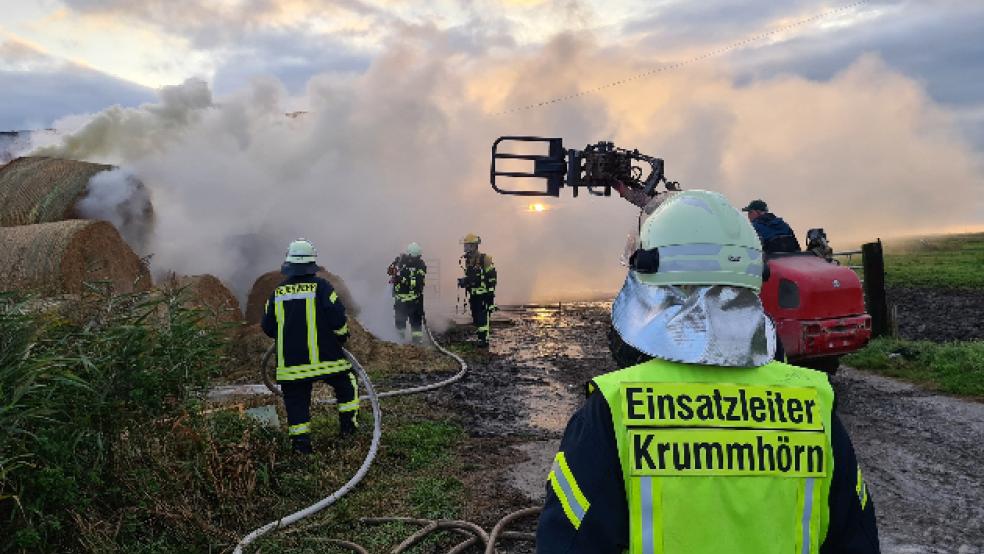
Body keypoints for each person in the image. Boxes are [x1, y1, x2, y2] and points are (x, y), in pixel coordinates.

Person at [536, 191, 880, 553]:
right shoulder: (814, 404)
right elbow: (857, 540)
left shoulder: (615, 408)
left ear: (655, 281)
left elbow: (566, 544)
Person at [261, 238, 358, 454]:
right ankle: (349, 431)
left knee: (296, 404)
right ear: (312, 264)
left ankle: (301, 449)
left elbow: (267, 327)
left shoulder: (277, 293)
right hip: (327, 360)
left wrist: (288, 334)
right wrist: (341, 337)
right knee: (347, 383)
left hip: (292, 365)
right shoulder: (322, 287)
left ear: (289, 265)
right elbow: (338, 319)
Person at [457, 233, 497, 347]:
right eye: (465, 245)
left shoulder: (485, 259)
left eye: (468, 245)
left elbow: (492, 278)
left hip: (484, 295)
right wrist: (465, 281)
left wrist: (490, 296)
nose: (465, 248)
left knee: (482, 318)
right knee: (476, 318)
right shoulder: (468, 260)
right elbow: (472, 277)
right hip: (474, 295)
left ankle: (484, 341)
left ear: (474, 246)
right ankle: (480, 337)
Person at [388, 242, 427, 344]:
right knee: (400, 324)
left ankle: (417, 344)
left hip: (414, 301)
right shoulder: (401, 261)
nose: (413, 259)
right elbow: (389, 271)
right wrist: (393, 268)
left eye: (416, 257)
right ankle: (399, 344)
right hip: (400, 301)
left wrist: (401, 279)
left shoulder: (421, 265)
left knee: (416, 325)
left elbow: (417, 281)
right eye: (412, 256)